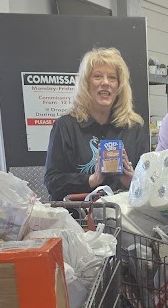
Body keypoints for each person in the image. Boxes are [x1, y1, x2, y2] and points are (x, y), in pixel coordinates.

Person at [45, 47, 149, 201]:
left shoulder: (134, 128)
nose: (105, 83)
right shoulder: (65, 126)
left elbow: (150, 184)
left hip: (125, 218)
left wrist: (133, 181)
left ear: (119, 87)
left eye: (112, 77)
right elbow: (52, 182)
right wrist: (92, 180)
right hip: (79, 219)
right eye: (97, 76)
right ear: (86, 84)